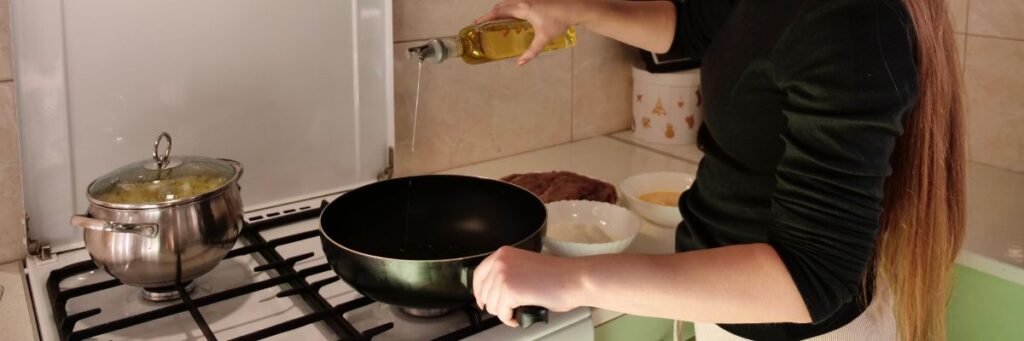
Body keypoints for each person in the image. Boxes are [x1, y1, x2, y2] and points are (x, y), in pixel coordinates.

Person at [470, 0, 965, 340]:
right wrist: (577, 10)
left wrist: (573, 279)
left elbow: (811, 278)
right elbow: (698, 23)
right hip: (729, 309)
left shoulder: (852, 20)